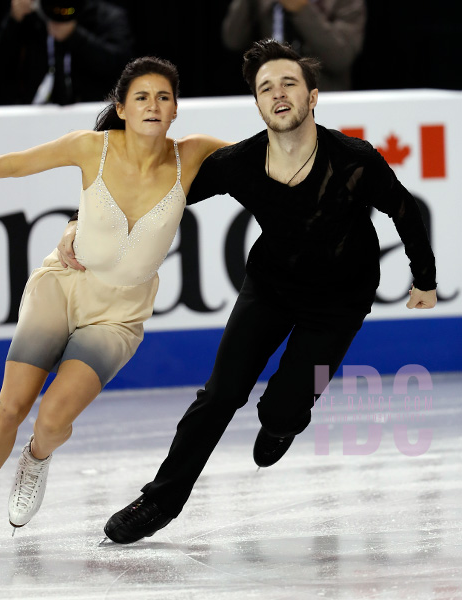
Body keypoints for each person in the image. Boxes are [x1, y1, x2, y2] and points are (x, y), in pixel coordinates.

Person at [75, 39, 434, 544]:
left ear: (312, 97)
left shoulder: (355, 159)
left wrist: (424, 278)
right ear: (258, 104)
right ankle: (160, 500)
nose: (278, 93)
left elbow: (404, 210)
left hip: (340, 304)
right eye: (266, 88)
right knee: (220, 393)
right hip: (270, 289)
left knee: (283, 408)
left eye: (289, 83)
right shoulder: (239, 162)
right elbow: (160, 196)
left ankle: (283, 422)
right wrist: (84, 223)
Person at [0, 56, 228, 549]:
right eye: (142, 97)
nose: (153, 105)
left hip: (119, 315)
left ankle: (36, 458)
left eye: (163, 97)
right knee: (12, 403)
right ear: (121, 108)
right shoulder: (92, 147)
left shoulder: (191, 155)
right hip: (63, 286)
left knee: (52, 418)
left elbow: (267, 159)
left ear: (175, 110)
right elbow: (21, 162)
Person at [0, 0, 133, 105]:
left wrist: (74, 35)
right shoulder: (33, 16)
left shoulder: (106, 16)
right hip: (34, 112)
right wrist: (14, 19)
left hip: (92, 111)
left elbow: (120, 66)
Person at [222, 0, 366, 91]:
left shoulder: (344, 3)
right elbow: (233, 40)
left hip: (325, 99)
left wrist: (302, 9)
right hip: (271, 96)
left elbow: (340, 57)